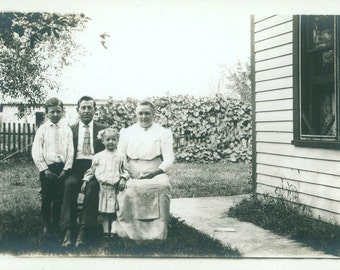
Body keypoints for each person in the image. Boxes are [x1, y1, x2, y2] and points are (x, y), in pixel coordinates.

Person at [115, 99, 175, 240]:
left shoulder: (163, 132)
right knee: (126, 188)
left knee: (162, 186)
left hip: (155, 169)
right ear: (136, 114)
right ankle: (129, 231)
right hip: (131, 169)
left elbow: (169, 158)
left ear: (153, 114)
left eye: (147, 113)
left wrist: (155, 172)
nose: (144, 117)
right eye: (140, 113)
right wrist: (129, 170)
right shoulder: (127, 132)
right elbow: (120, 154)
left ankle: (158, 232)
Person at [59, 96, 107, 247]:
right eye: (83, 108)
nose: (86, 111)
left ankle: (83, 231)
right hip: (75, 168)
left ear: (94, 110)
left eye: (90, 108)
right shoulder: (70, 130)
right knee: (69, 185)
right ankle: (67, 231)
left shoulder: (102, 129)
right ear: (78, 110)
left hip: (95, 168)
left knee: (92, 188)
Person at [32, 97, 74, 237]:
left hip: (61, 169)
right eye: (52, 112)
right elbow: (36, 151)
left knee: (58, 198)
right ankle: (46, 224)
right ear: (47, 113)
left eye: (58, 111)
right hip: (47, 169)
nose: (55, 114)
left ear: (62, 112)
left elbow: (70, 152)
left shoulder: (67, 130)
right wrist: (45, 169)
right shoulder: (42, 130)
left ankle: (55, 223)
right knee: (46, 198)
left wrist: (65, 169)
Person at [82, 128, 129, 237]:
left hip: (115, 189)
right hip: (103, 189)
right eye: (108, 139)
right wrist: (85, 181)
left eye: (114, 139)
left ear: (118, 140)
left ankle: (112, 232)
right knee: (104, 211)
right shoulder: (98, 157)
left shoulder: (121, 156)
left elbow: (126, 170)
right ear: (102, 141)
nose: (111, 142)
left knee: (113, 211)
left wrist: (123, 178)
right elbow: (91, 171)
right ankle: (105, 232)